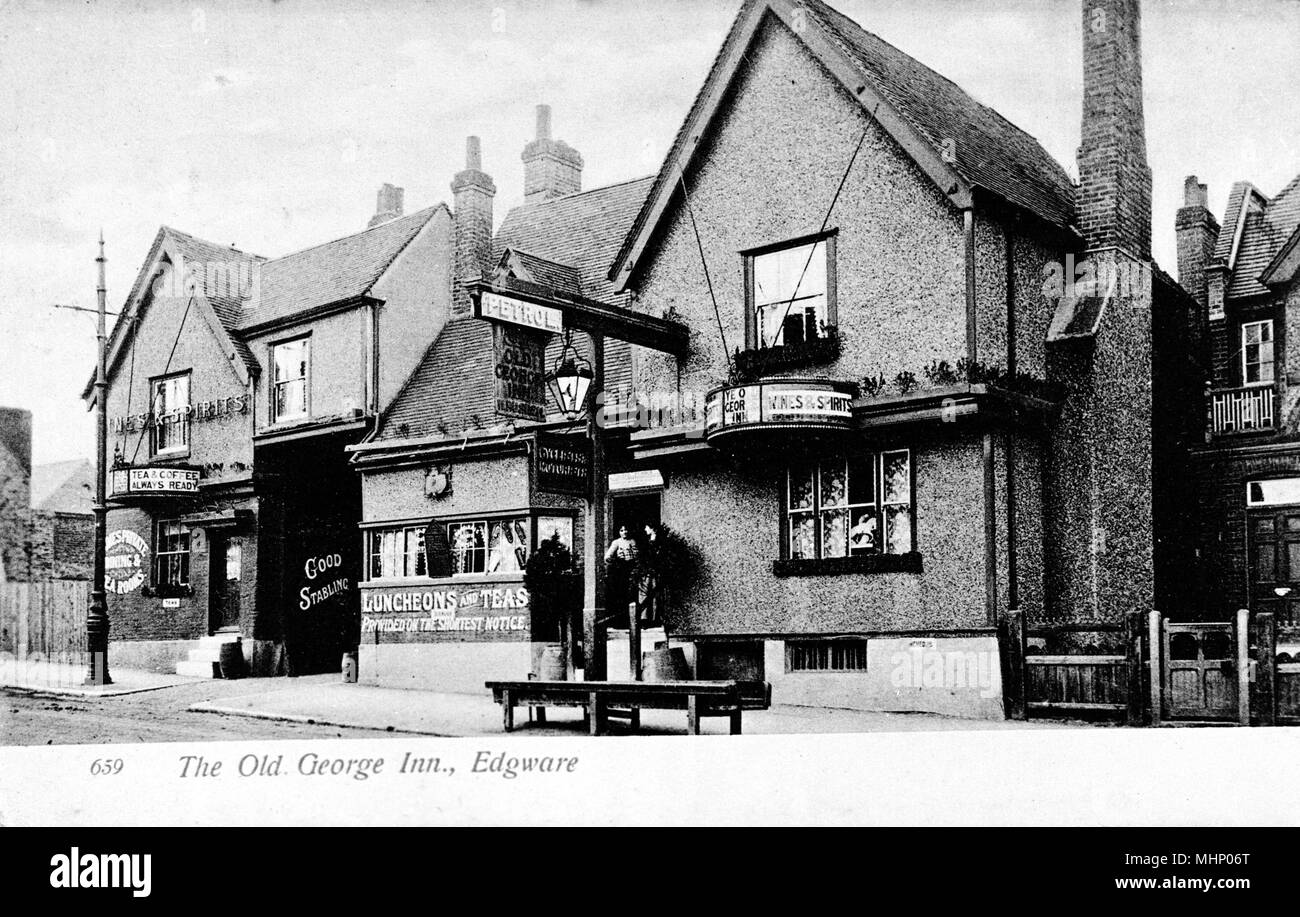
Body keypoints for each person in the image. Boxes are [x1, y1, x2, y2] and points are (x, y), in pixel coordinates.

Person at [603, 525, 639, 626]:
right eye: (622, 530)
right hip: (622, 570)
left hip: (633, 569)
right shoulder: (617, 542)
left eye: (626, 529)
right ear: (619, 532)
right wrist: (617, 561)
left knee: (634, 594)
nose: (624, 532)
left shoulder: (633, 541)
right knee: (622, 594)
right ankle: (622, 622)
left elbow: (637, 555)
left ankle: (634, 621)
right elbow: (607, 557)